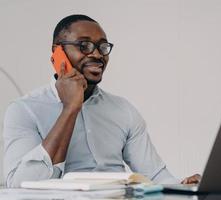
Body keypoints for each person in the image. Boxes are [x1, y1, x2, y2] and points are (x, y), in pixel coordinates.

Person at [3, 14, 200, 187]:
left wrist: (182, 185)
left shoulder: (123, 110)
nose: (97, 54)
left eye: (102, 47)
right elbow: (22, 185)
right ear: (57, 52)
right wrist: (71, 108)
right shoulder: (24, 110)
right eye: (84, 46)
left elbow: (155, 175)